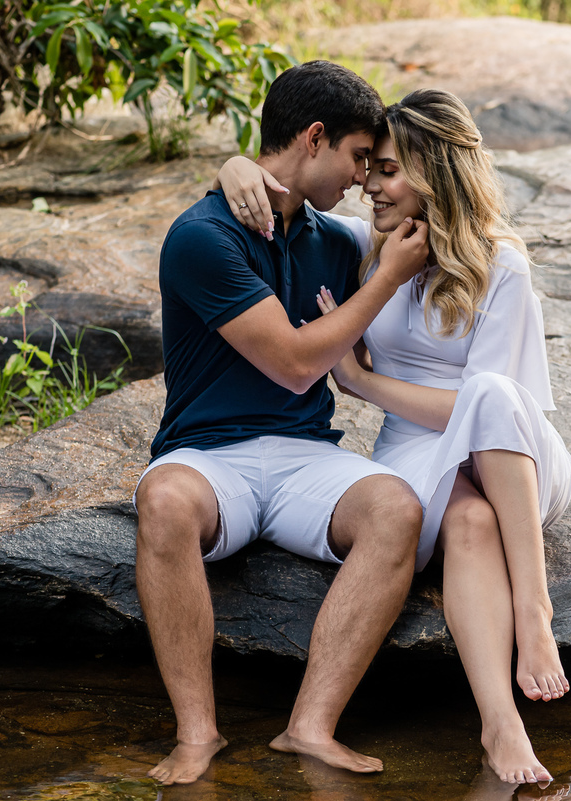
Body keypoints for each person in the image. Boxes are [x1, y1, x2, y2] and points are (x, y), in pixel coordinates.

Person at [215, 88, 571, 786]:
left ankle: (534, 611)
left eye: (386, 170)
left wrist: (363, 384)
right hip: (416, 456)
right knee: (466, 518)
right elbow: (288, 196)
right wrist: (235, 165)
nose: (367, 186)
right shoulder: (364, 246)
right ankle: (501, 724)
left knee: (489, 394)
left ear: (435, 172)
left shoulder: (502, 265)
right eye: (370, 167)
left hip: (517, 456)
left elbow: (486, 412)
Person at [133, 61, 432, 786]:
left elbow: (433, 207)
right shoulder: (202, 237)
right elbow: (298, 365)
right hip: (209, 456)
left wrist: (233, 162)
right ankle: (198, 733)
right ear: (314, 137)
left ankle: (309, 726)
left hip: (305, 456)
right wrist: (385, 279)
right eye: (359, 157)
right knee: (163, 502)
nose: (365, 178)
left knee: (397, 508)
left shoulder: (336, 240)